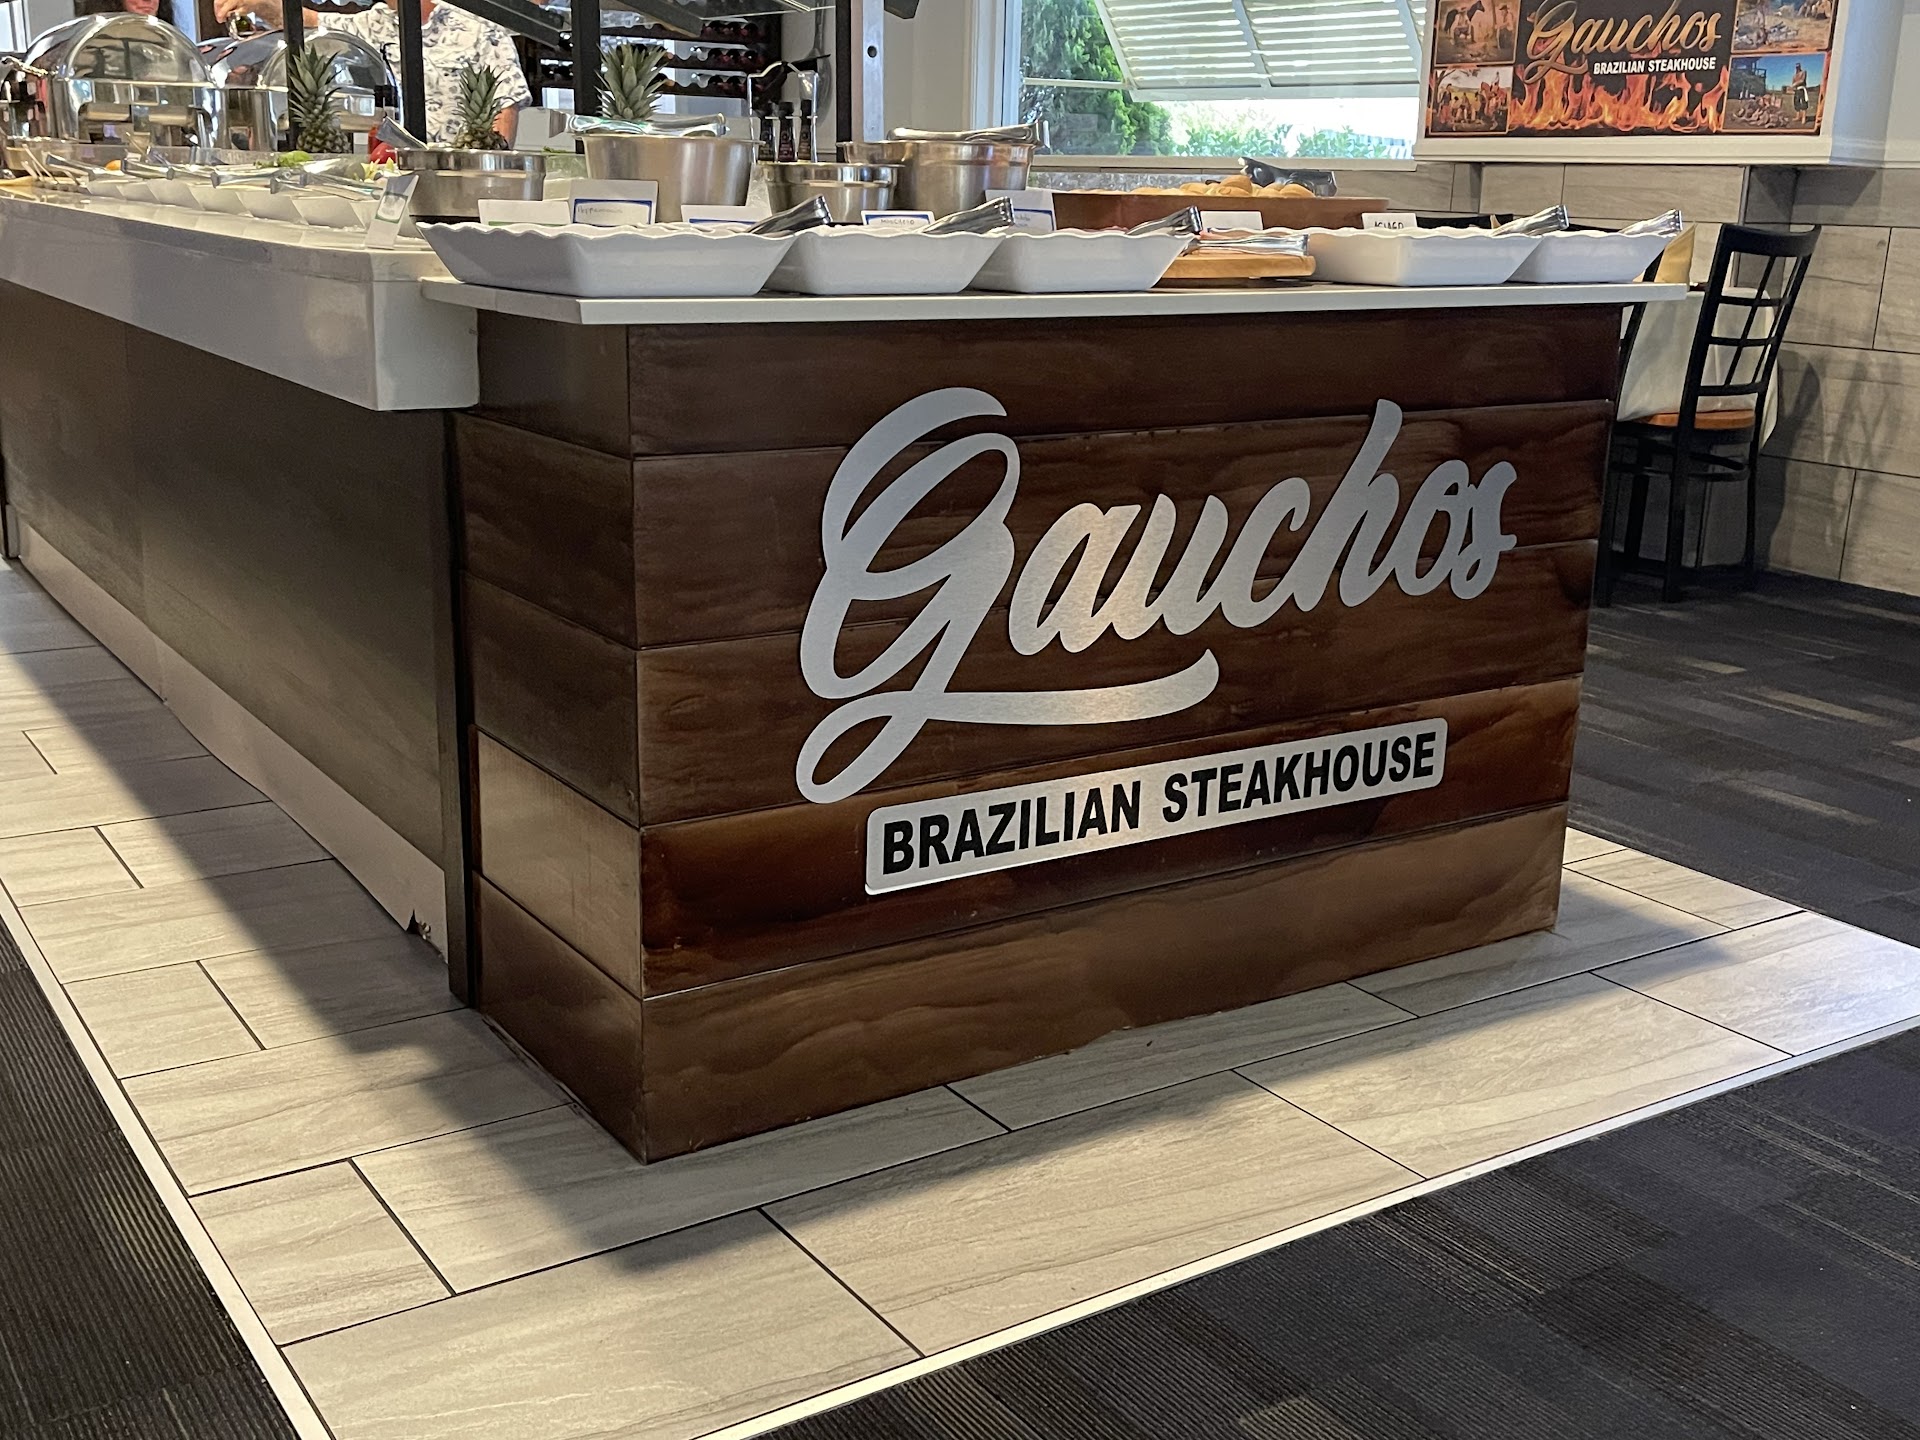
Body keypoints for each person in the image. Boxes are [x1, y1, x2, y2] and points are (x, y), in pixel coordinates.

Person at [211, 0, 529, 145]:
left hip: (460, 174)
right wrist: (261, 6)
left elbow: (504, 110)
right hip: (391, 174)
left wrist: (487, 173)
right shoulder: (374, 22)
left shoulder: (480, 27)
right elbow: (309, 22)